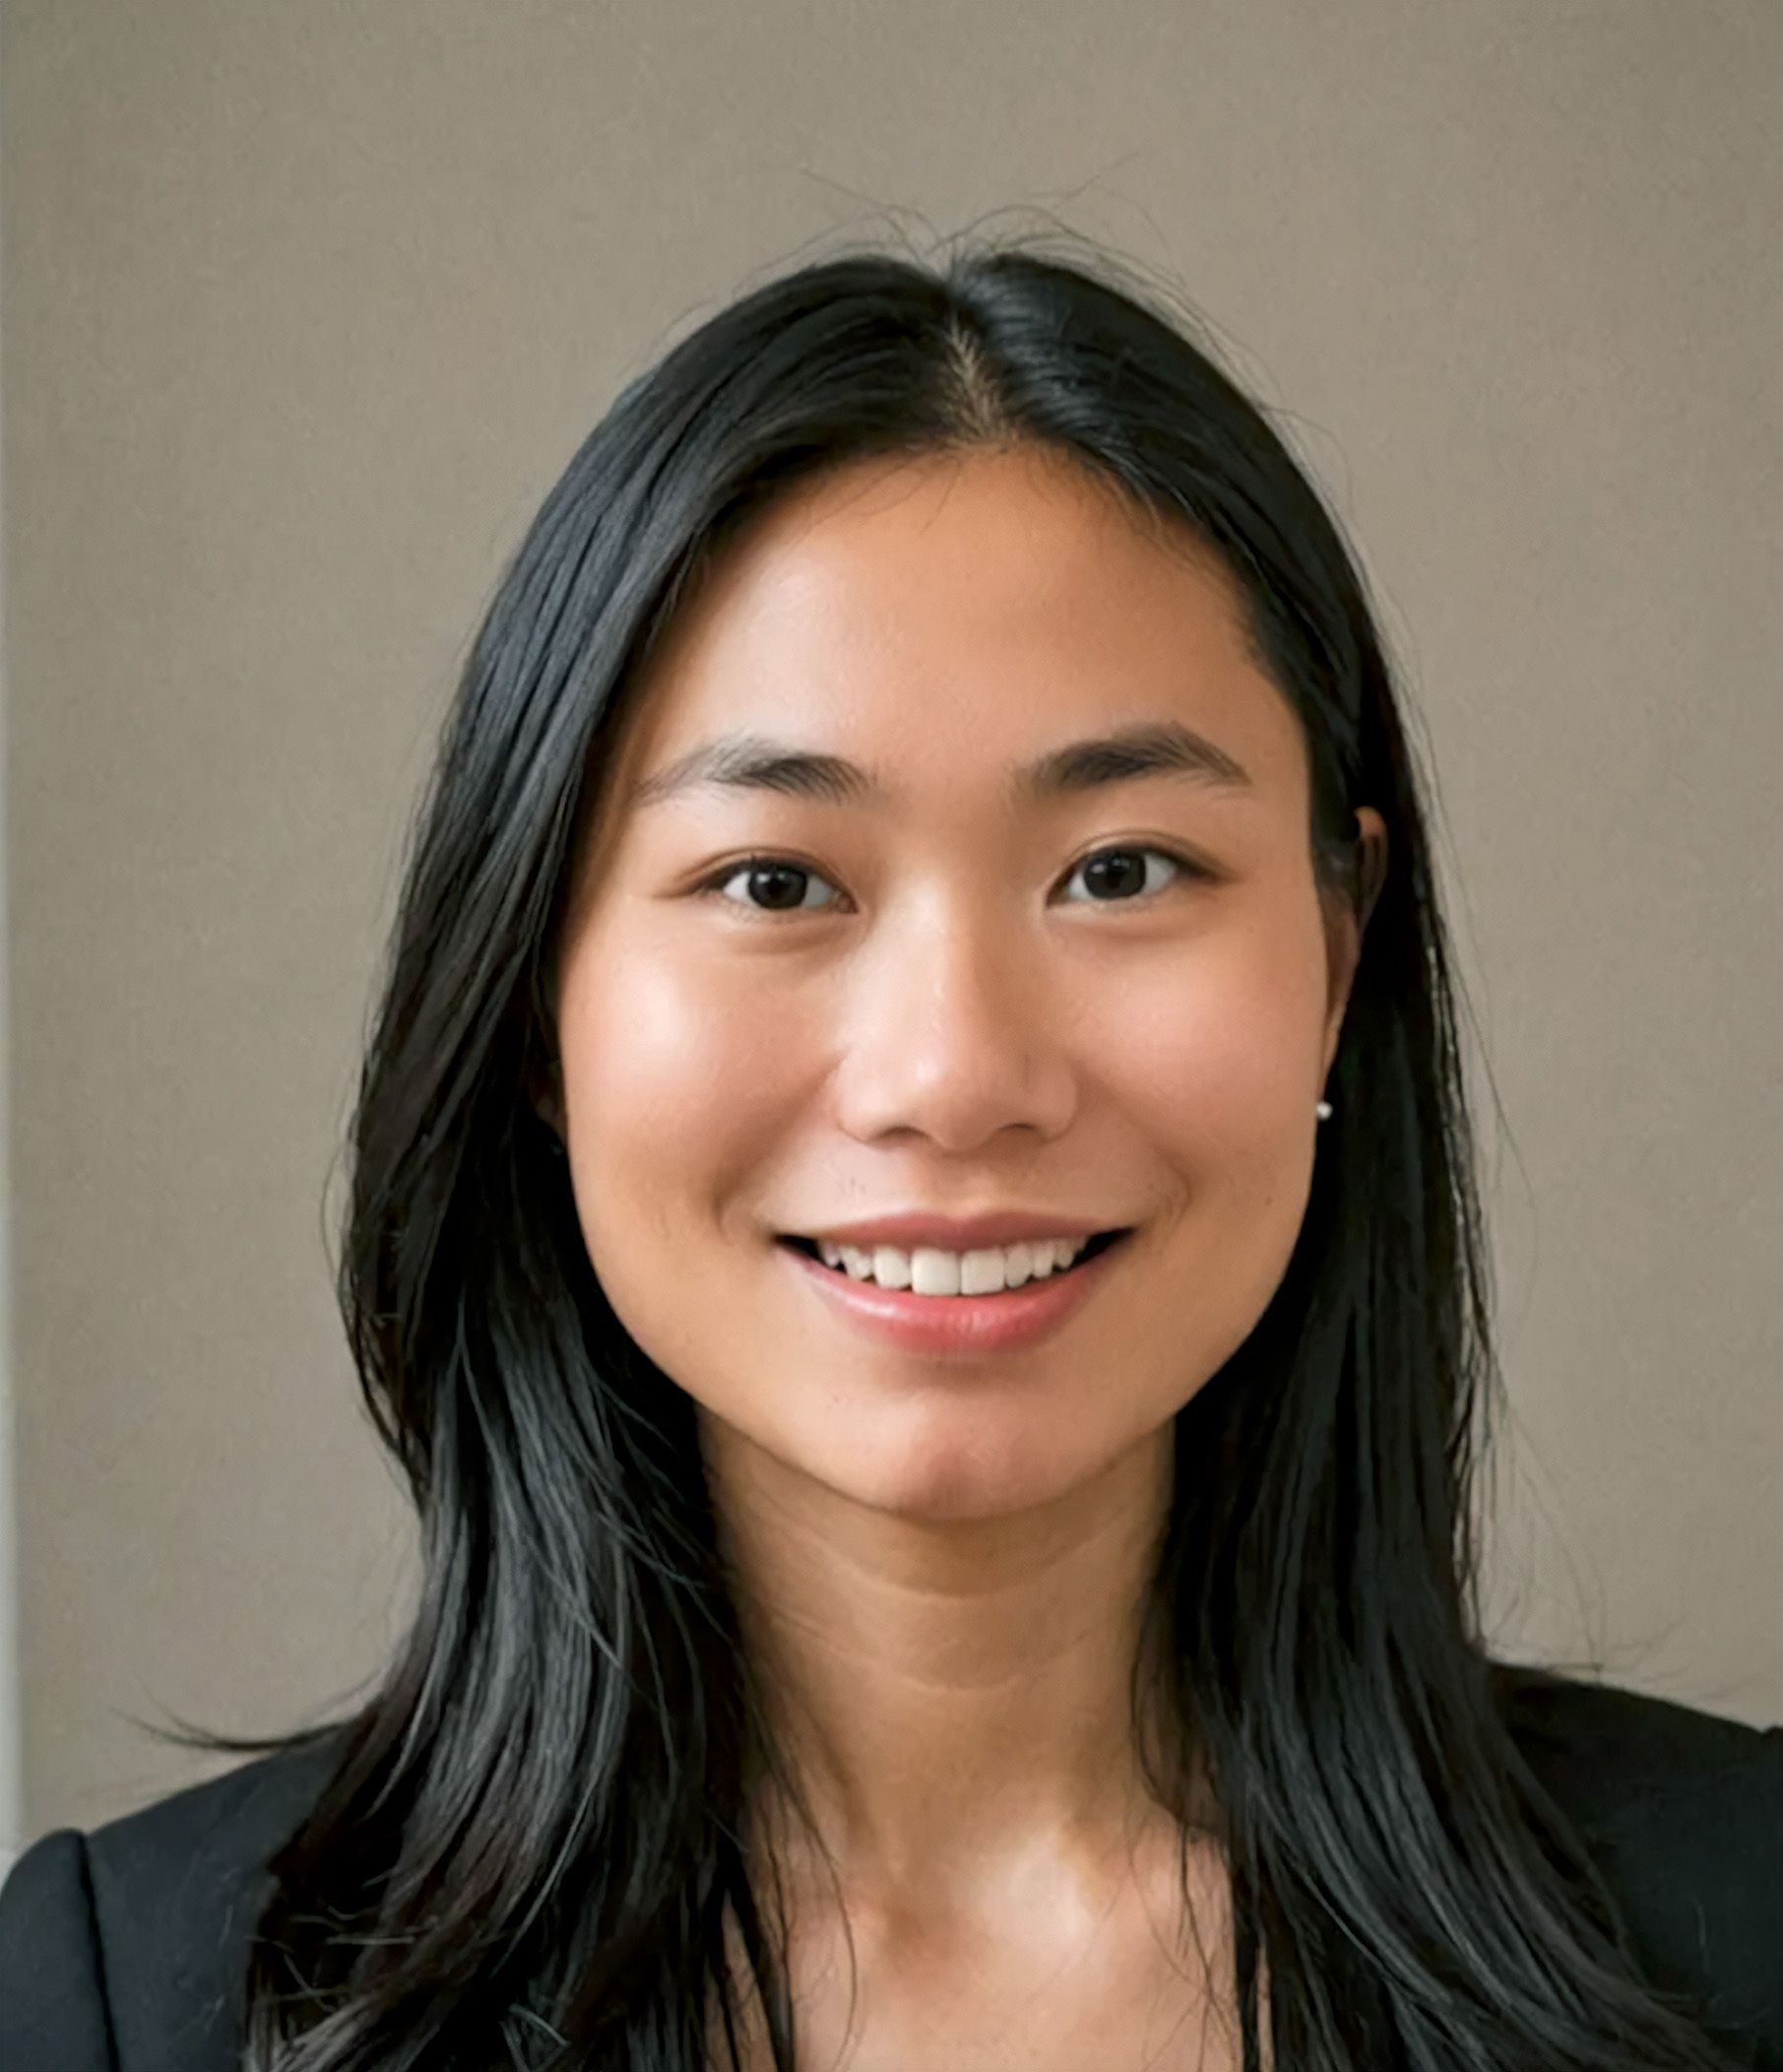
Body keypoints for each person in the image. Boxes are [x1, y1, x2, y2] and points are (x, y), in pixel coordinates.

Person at [3, 236, 1778, 2072]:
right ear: (534, 1005)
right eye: (774, 882)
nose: (953, 1076)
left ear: (1337, 957)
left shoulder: (1749, 1931)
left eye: (1122, 871)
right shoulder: (114, 2009)